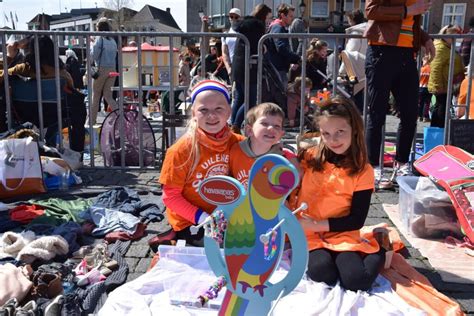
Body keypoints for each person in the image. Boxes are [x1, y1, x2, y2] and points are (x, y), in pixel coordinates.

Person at [292, 97, 386, 292]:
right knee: (322, 273)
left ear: (355, 129)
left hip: (342, 232)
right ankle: (333, 259)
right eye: (326, 133)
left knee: (356, 282)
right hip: (310, 234)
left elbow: (356, 220)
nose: (333, 140)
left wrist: (317, 224)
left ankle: (381, 244)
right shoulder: (309, 156)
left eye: (340, 132)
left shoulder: (362, 170)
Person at [157, 79, 244, 246]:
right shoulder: (181, 150)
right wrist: (203, 218)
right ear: (193, 113)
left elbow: (263, 161)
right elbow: (170, 197)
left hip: (226, 216)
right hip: (192, 220)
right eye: (203, 110)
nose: (212, 115)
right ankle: (173, 237)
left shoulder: (239, 143)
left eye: (219, 108)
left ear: (229, 111)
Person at [364, 0, 436, 187]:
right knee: (377, 114)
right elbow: (371, 10)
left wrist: (425, 38)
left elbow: (408, 23)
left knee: (410, 113)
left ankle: (402, 164)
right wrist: (408, 10)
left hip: (406, 56)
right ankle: (373, 168)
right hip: (381, 51)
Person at [0, 35, 86, 152]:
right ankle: (77, 151)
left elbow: (1, 76)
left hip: (24, 115)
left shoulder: (22, 69)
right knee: (78, 106)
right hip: (54, 116)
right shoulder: (61, 73)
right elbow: (72, 90)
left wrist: (9, 56)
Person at [229, 102, 298, 188]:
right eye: (264, 124)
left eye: (277, 126)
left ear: (281, 134)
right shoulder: (235, 151)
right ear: (249, 130)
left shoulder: (284, 159)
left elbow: (291, 188)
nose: (271, 128)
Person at [230, 4, 273, 134]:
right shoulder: (257, 26)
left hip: (238, 65)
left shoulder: (244, 24)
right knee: (250, 100)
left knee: (239, 97)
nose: (269, 21)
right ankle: (236, 125)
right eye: (268, 18)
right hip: (250, 66)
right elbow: (256, 44)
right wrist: (263, 48)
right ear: (263, 16)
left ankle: (232, 125)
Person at [428, 25, 465, 128]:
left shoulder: (447, 46)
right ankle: (438, 133)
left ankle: (439, 132)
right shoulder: (441, 47)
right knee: (440, 108)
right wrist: (438, 86)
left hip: (447, 84)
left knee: (442, 108)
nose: (456, 38)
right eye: (454, 35)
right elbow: (436, 67)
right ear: (447, 35)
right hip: (443, 85)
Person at [90, 18, 118, 125]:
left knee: (95, 96)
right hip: (112, 69)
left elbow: (93, 56)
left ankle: (92, 121)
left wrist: (92, 46)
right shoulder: (112, 41)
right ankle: (119, 116)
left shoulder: (99, 39)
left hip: (101, 69)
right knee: (108, 96)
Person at [266, 3, 301, 88]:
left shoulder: (279, 27)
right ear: (282, 15)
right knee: (280, 95)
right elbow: (281, 47)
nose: (292, 19)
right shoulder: (278, 28)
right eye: (290, 16)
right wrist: (296, 57)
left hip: (278, 67)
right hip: (277, 68)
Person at [221, 8, 242, 78]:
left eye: (236, 17)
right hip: (232, 65)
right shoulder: (225, 34)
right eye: (231, 17)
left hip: (243, 65)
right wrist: (228, 68)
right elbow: (224, 53)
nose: (233, 19)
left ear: (239, 18)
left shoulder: (244, 32)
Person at [418, 56, 431, 122]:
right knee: (427, 103)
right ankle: (425, 117)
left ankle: (419, 116)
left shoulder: (421, 69)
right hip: (428, 87)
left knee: (420, 102)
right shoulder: (430, 68)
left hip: (420, 87)